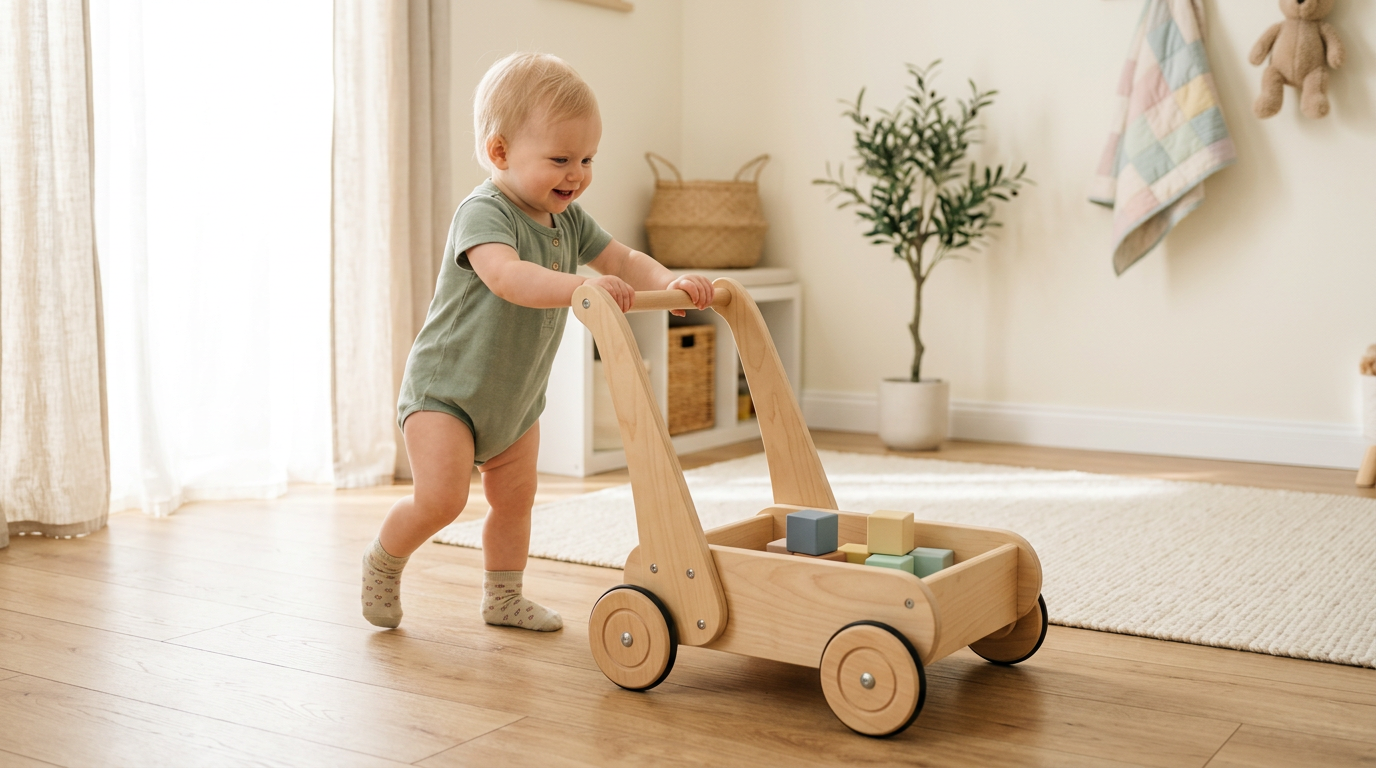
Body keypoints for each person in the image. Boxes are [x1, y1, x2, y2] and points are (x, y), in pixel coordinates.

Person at [361, 52, 715, 631]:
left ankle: (503, 598)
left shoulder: (570, 221)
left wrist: (669, 282)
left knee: (515, 502)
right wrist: (584, 285)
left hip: (515, 399)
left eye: (586, 159)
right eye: (559, 159)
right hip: (445, 392)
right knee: (442, 501)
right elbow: (506, 277)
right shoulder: (485, 213)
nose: (576, 174)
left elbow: (621, 257)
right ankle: (384, 559)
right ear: (500, 152)